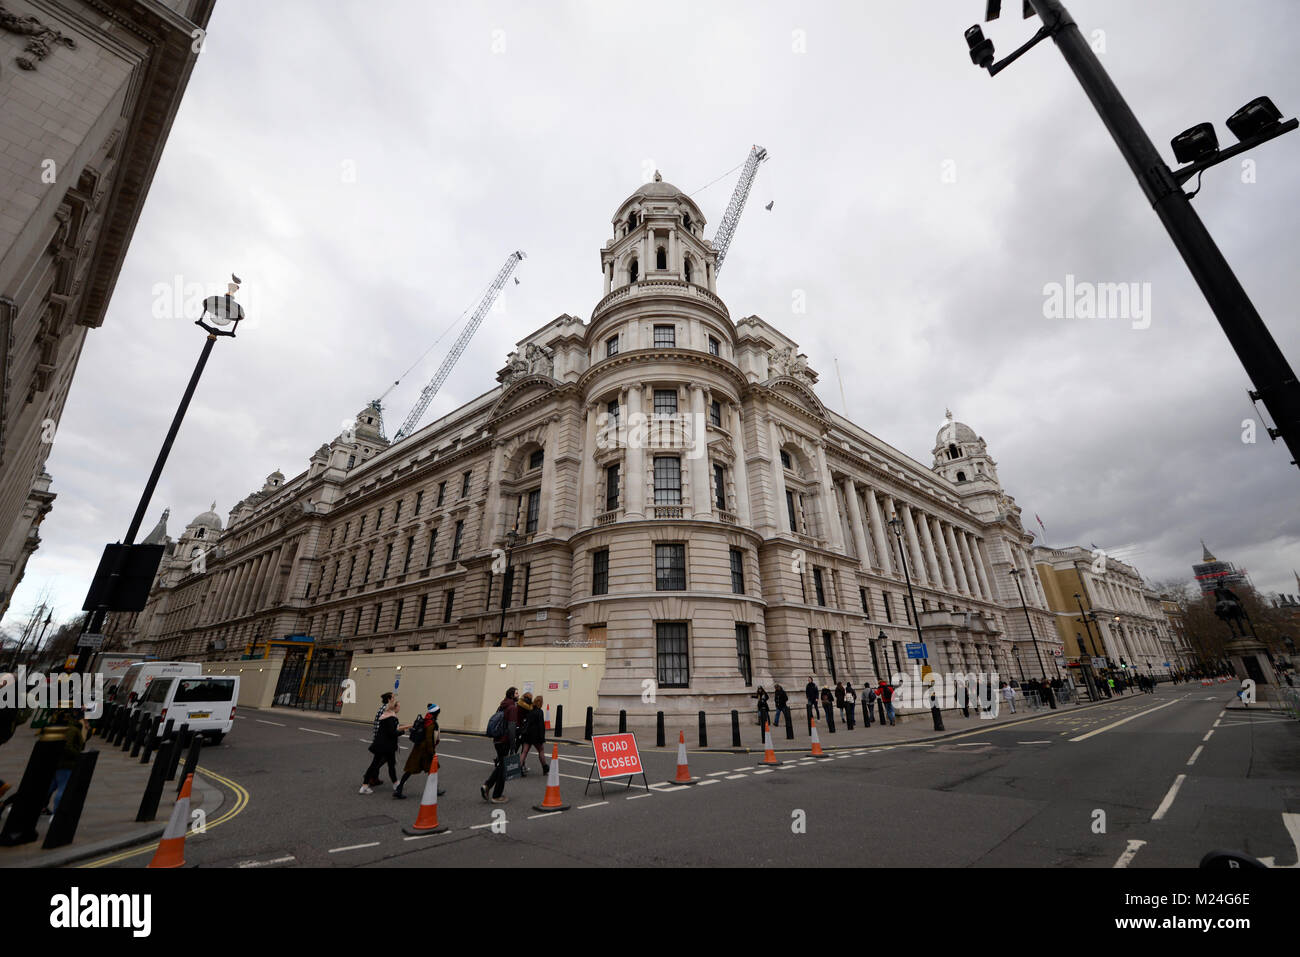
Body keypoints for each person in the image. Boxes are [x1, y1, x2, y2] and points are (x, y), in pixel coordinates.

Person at [42, 707, 88, 815]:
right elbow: (70, 746)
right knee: (63, 788)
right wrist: (78, 755)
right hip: (66, 763)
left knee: (50, 786)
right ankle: (57, 814)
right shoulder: (72, 729)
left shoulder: (60, 725)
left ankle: (39, 806)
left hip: (55, 761)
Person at [361, 696, 409, 793]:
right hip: (386, 746)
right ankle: (366, 785)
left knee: (383, 764)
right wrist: (403, 732)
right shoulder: (391, 718)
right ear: (394, 707)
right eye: (398, 706)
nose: (399, 708)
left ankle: (395, 784)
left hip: (381, 744)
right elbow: (392, 733)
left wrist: (406, 727)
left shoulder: (386, 715)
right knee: (383, 765)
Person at [394, 703, 441, 799]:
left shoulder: (426, 719)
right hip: (424, 750)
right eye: (438, 713)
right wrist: (432, 753)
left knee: (415, 769)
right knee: (426, 769)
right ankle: (399, 789)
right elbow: (429, 739)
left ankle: (399, 788)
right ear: (435, 713)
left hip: (418, 748)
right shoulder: (431, 723)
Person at [482, 686, 519, 804]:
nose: (518, 695)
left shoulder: (502, 705)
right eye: (517, 693)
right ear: (512, 695)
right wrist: (513, 746)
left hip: (497, 740)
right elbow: (512, 727)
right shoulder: (512, 708)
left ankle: (487, 785)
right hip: (505, 741)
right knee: (503, 768)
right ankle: (496, 795)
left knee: (501, 765)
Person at [519, 693, 549, 775]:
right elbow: (541, 726)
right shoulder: (540, 712)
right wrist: (542, 737)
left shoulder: (530, 710)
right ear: (541, 703)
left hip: (527, 734)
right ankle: (545, 767)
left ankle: (520, 767)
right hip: (536, 736)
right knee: (541, 750)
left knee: (524, 751)